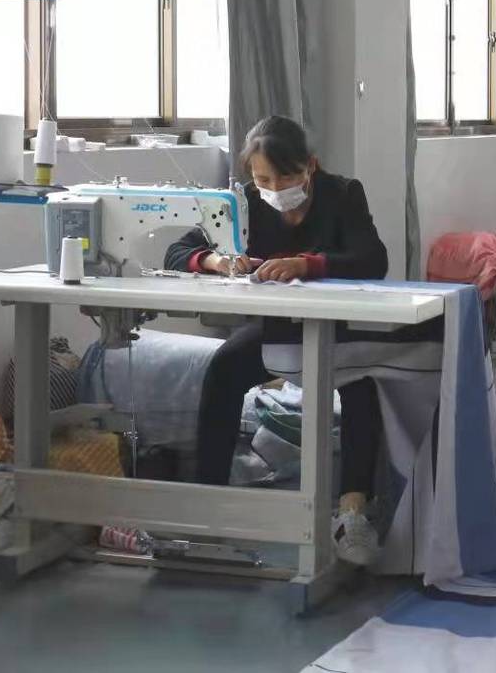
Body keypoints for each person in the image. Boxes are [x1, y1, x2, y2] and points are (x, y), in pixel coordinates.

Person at [163, 115, 414, 567]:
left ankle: (352, 513)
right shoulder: (243, 203)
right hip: (280, 329)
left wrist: (307, 264)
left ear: (310, 166)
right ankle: (209, 502)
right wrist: (216, 261)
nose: (275, 188)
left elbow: (372, 260)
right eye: (263, 179)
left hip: (339, 327)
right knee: (224, 369)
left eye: (286, 177)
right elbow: (177, 252)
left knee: (360, 385)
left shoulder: (342, 195)